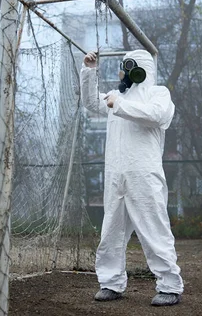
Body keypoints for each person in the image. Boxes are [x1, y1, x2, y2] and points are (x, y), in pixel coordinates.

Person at [80, 49, 184, 306]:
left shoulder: (157, 94)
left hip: (143, 175)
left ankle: (170, 286)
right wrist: (89, 71)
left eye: (123, 68)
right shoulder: (117, 97)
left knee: (153, 229)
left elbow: (157, 116)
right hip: (116, 174)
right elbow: (92, 102)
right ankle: (110, 282)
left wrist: (120, 105)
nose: (119, 74)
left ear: (135, 70)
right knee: (111, 231)